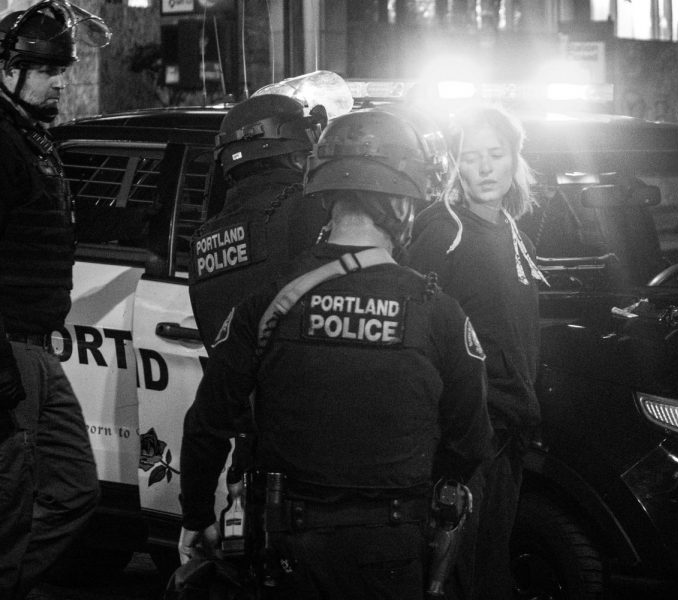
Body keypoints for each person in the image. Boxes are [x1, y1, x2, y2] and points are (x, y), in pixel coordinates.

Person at [178, 107, 494, 599]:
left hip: (283, 547)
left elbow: (207, 424)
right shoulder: (440, 314)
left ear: (324, 196)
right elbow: (472, 440)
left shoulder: (266, 306)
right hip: (390, 550)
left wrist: (196, 515)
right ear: (401, 205)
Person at [407, 103, 546, 600]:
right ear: (454, 163)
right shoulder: (443, 231)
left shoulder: (514, 232)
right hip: (464, 444)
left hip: (506, 433)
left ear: (515, 158)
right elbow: (415, 336)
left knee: (489, 574)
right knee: (456, 580)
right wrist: (453, 442)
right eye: (471, 157)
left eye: (496, 154)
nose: (485, 168)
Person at [0, 2, 110, 598]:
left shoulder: (27, 137)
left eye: (63, 67)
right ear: (7, 68)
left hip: (38, 349)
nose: (62, 80)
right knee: (10, 507)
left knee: (73, 490)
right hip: (11, 349)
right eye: (46, 69)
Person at [189, 92, 330, 352]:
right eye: (305, 154)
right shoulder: (306, 207)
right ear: (292, 156)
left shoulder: (202, 241)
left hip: (239, 389)